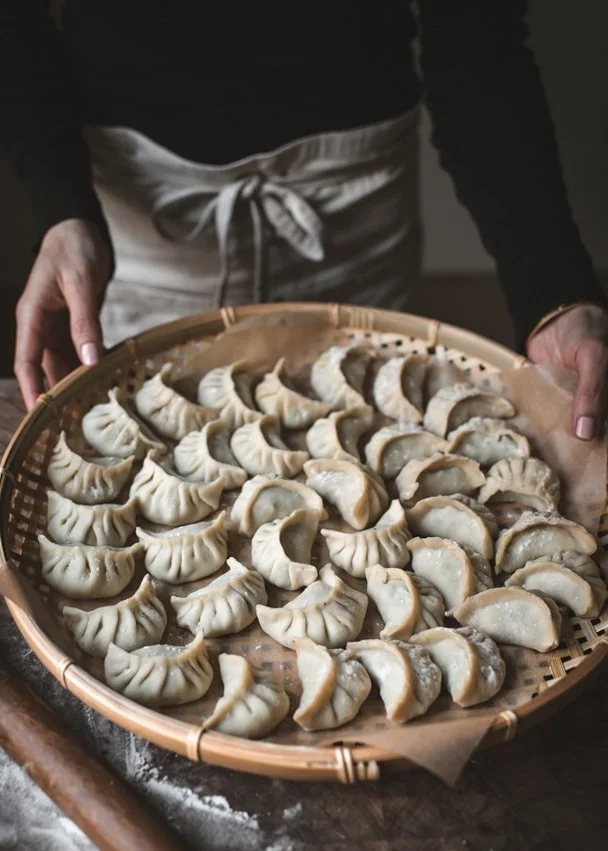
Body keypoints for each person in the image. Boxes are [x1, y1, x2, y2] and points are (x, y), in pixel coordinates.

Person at [1, 1, 607, 438]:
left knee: (374, 429)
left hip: (350, 201)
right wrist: (61, 209)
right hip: (136, 215)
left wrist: (552, 287)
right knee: (144, 438)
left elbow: (478, 35)